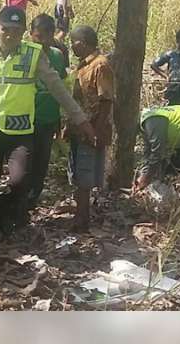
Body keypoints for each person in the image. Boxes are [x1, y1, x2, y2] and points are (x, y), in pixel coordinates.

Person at [0, 6, 95, 252]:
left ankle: (6, 212)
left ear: (23, 33)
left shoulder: (33, 54)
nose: (10, 35)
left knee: (19, 182)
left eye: (17, 31)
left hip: (19, 132)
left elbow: (56, 87)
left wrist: (80, 119)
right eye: (6, 30)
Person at [67, 25, 113, 231]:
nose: (71, 48)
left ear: (82, 43)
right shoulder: (82, 65)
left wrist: (96, 130)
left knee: (85, 176)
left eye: (73, 43)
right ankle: (80, 215)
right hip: (79, 128)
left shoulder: (100, 65)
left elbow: (106, 100)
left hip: (91, 128)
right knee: (77, 174)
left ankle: (82, 220)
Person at [26, 14, 68, 207]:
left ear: (53, 35)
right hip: (24, 118)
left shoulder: (58, 56)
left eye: (46, 37)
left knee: (42, 161)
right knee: (24, 162)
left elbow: (60, 87)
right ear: (30, 34)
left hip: (48, 118)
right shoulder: (23, 54)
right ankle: (20, 201)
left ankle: (32, 199)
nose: (42, 41)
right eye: (38, 36)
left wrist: (59, 118)